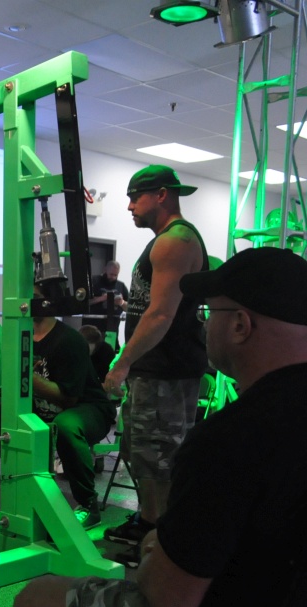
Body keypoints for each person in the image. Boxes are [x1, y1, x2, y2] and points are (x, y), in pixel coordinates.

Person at [13, 247, 307, 607]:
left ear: (240, 325)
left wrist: (153, 552)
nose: (203, 325)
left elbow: (171, 601)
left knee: (36, 601)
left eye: (208, 313)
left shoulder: (229, 437)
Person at [101, 165, 209, 567]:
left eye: (135, 197)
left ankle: (161, 542)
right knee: (141, 451)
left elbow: (161, 314)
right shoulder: (164, 241)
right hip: (155, 368)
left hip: (167, 370)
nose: (130, 206)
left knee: (159, 457)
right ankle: (149, 522)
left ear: (161, 195)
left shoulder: (175, 241)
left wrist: (122, 362)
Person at [0, 283, 116, 528]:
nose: (26, 303)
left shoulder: (69, 340)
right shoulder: (22, 336)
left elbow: (68, 399)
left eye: (34, 297)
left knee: (65, 426)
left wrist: (26, 375)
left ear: (49, 302)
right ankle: (22, 477)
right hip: (44, 407)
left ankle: (88, 504)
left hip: (88, 408)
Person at [87, 260, 129, 335]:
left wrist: (121, 303)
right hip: (92, 328)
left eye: (115, 275)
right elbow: (84, 302)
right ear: (105, 270)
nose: (113, 277)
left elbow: (130, 308)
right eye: (111, 274)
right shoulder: (94, 281)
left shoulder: (121, 285)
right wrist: (101, 298)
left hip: (112, 328)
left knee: (111, 343)